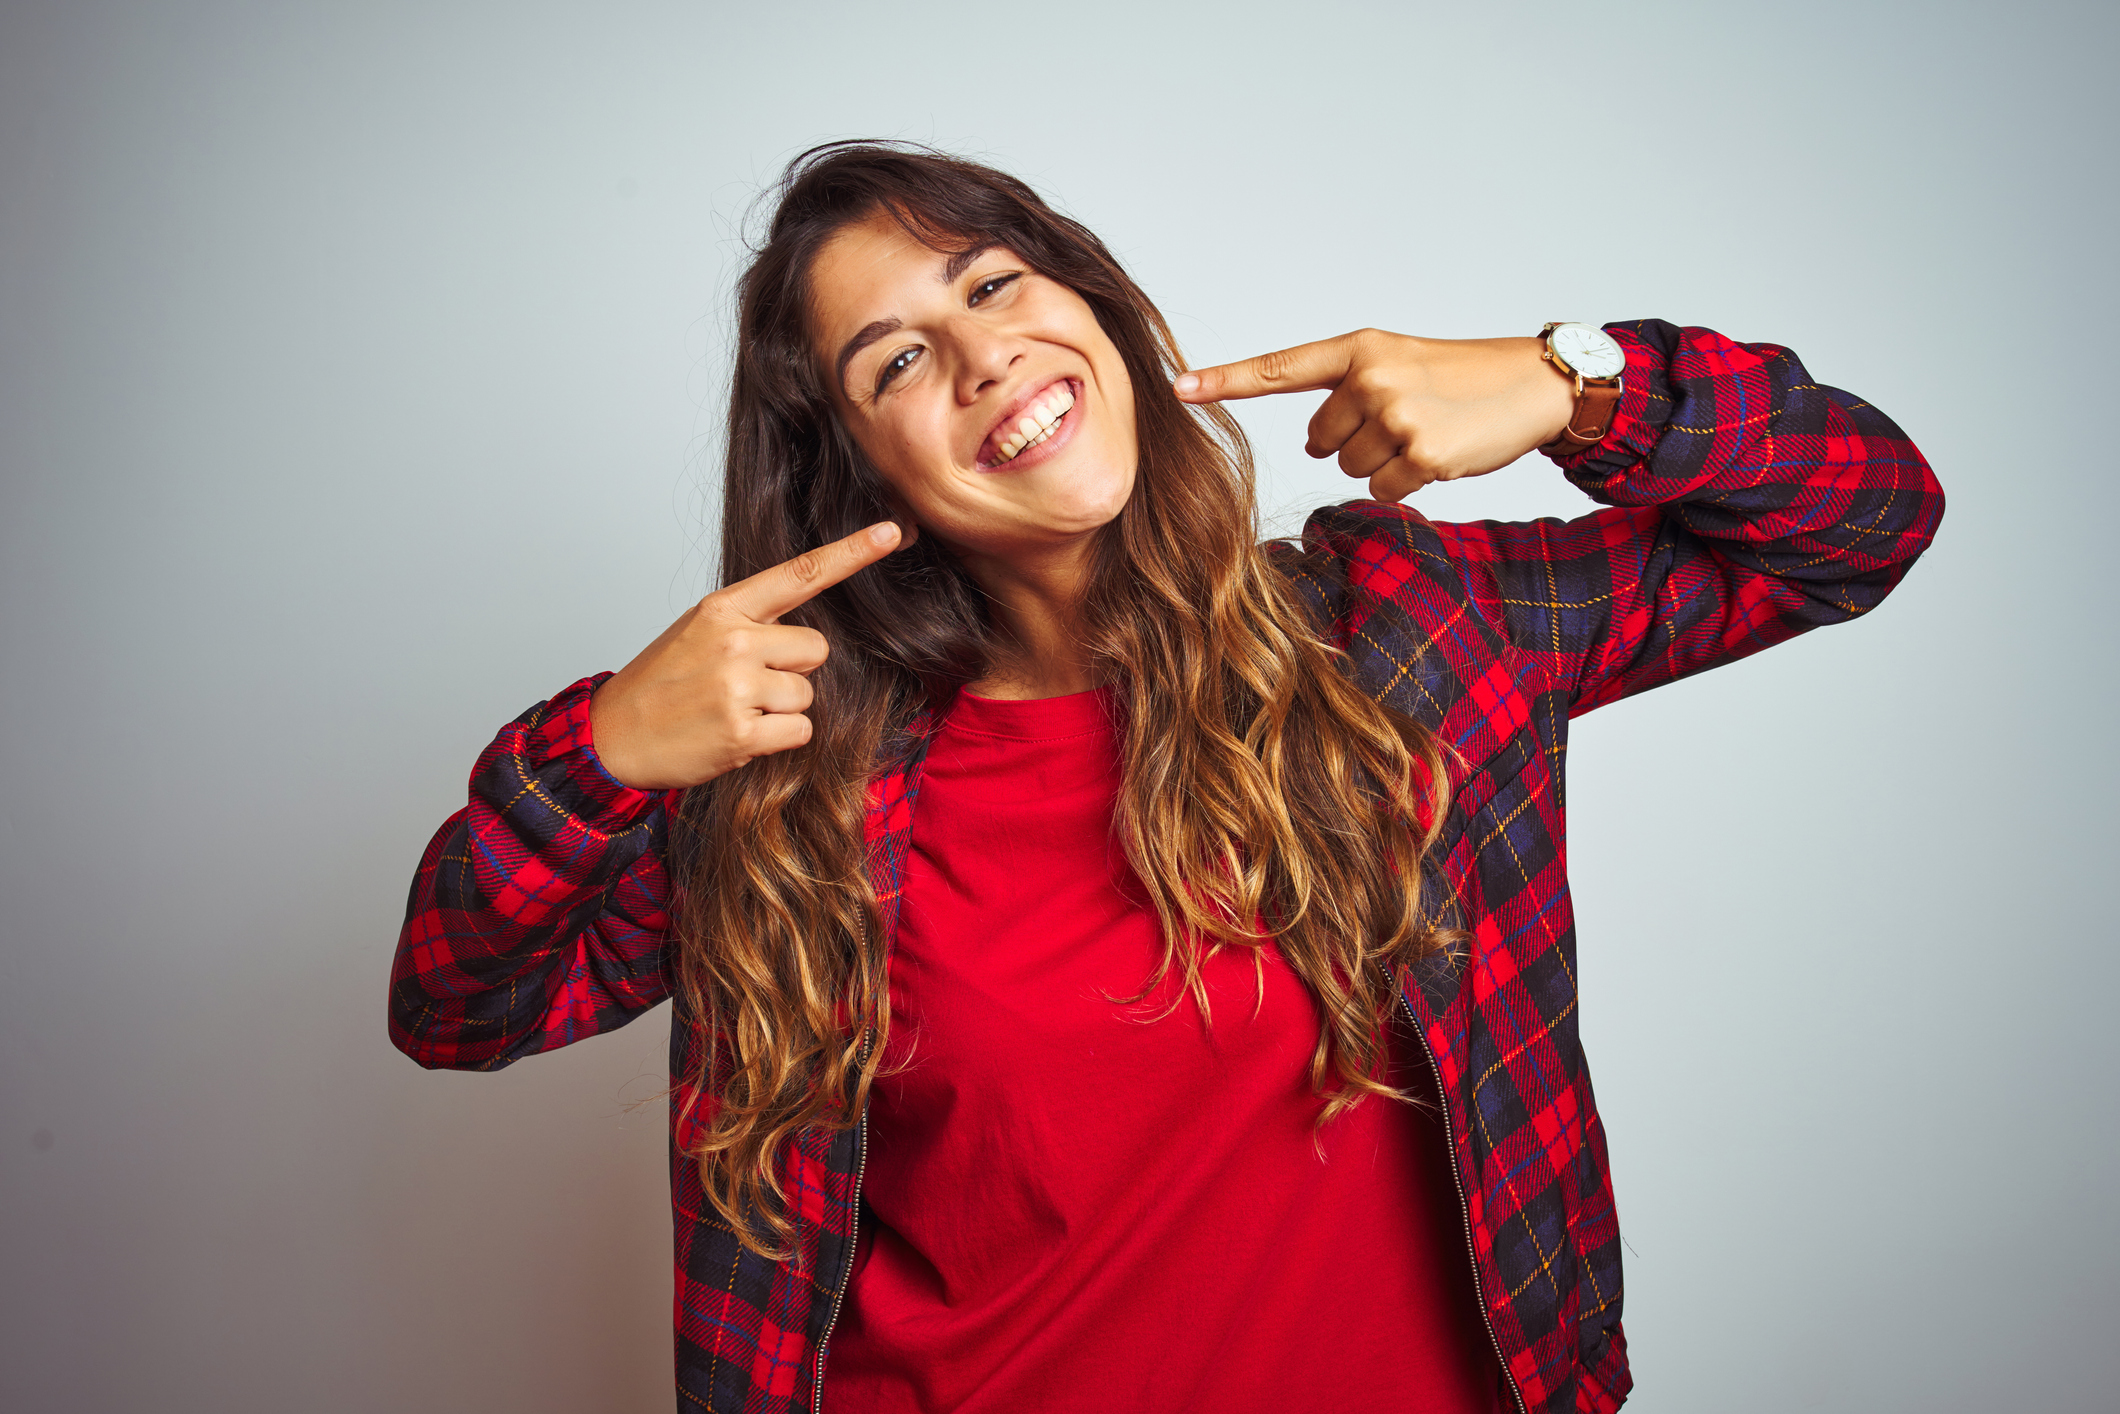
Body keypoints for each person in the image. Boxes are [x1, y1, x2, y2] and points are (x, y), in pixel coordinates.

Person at [389, 141, 1942, 1414]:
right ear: (857, 472)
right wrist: (593, 753)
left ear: (1097, 312)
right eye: (899, 360)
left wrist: (1576, 382)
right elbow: (455, 1004)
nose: (988, 353)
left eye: (994, 283)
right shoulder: (796, 779)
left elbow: (1867, 521)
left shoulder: (1414, 633)